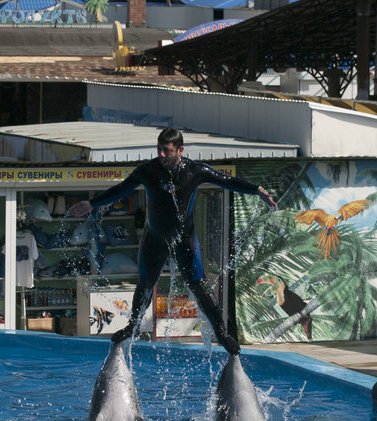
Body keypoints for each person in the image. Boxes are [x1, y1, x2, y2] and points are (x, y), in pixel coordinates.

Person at [70, 127, 277, 353]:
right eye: (159, 149)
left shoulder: (195, 171)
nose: (161, 155)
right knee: (145, 284)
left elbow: (227, 180)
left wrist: (256, 190)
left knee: (199, 286)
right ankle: (132, 327)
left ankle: (221, 332)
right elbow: (121, 189)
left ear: (180, 150)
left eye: (167, 151)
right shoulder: (148, 171)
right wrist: (92, 204)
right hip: (155, 238)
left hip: (184, 239)